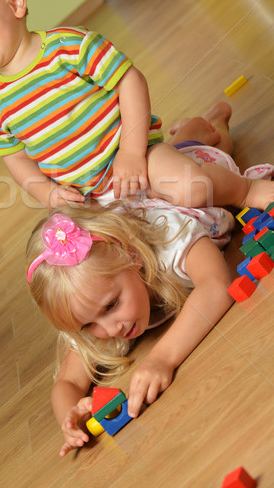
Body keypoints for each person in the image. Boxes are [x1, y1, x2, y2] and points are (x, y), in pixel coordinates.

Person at [0, 0, 274, 211]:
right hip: (93, 197)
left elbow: (131, 81)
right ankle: (197, 131)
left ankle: (245, 188)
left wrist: (132, 152)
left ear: (15, 2)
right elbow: (17, 159)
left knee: (191, 188)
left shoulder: (68, 46)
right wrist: (47, 194)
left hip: (141, 156)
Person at [25, 107, 274, 457]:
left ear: (134, 257)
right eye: (88, 324)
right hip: (131, 199)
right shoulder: (91, 306)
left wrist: (162, 358)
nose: (110, 328)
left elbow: (216, 286)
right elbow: (66, 383)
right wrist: (70, 412)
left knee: (213, 153)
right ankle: (186, 133)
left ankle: (213, 124)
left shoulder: (169, 238)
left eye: (112, 306)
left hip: (179, 187)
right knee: (180, 148)